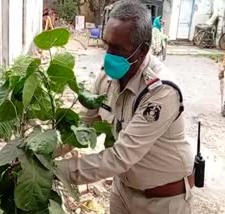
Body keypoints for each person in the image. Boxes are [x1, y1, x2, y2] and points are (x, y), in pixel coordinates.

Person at [55, 1, 194, 213]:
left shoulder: (161, 92)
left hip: (162, 201)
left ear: (142, 50)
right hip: (122, 192)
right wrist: (42, 154)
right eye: (107, 44)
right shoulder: (107, 78)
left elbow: (120, 157)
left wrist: (55, 171)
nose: (108, 55)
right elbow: (82, 127)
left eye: (117, 49)